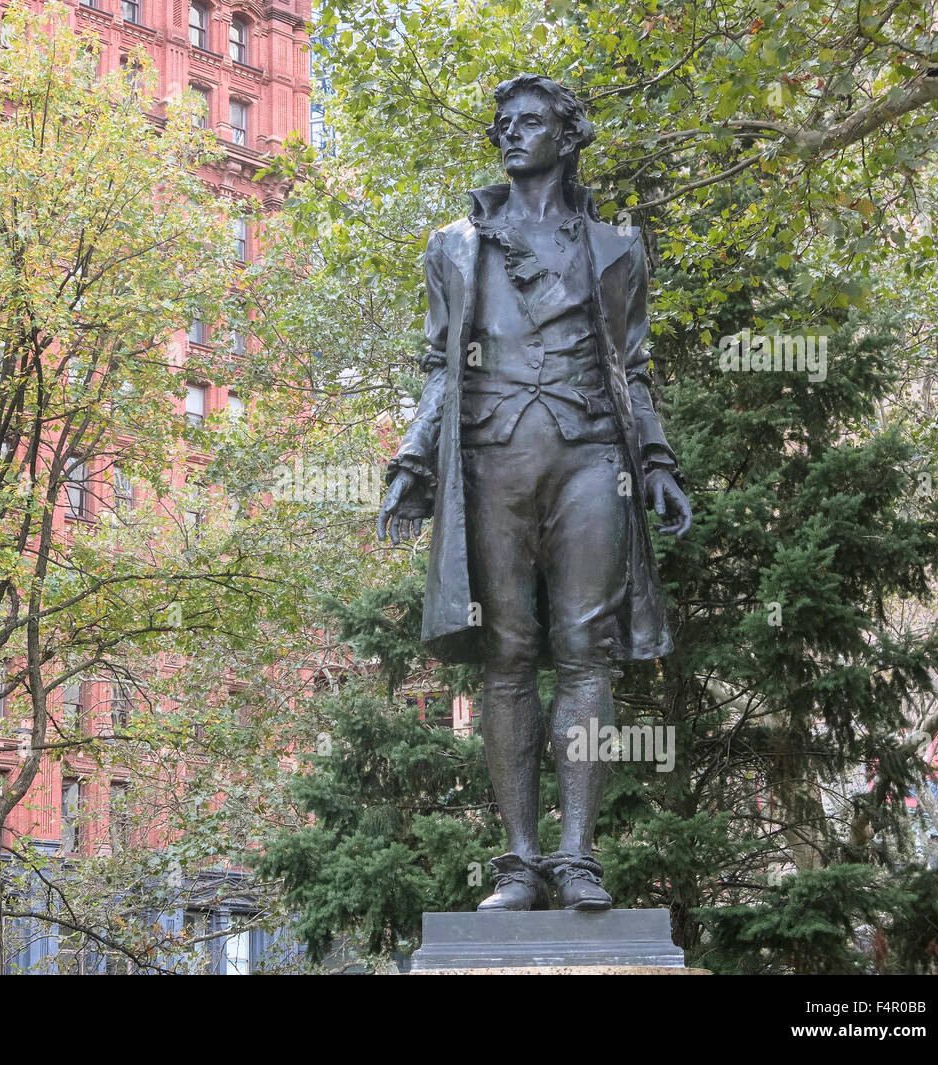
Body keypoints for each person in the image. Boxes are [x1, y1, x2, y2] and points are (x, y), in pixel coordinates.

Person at [377, 75, 691, 911]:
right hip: (491, 462)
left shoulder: (616, 247)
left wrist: (654, 462)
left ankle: (578, 855)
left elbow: (632, 364)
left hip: (592, 456)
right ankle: (518, 862)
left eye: (530, 123)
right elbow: (439, 367)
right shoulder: (455, 246)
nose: (511, 134)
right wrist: (412, 464)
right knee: (508, 655)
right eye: (503, 123)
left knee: (586, 650)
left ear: (568, 135)